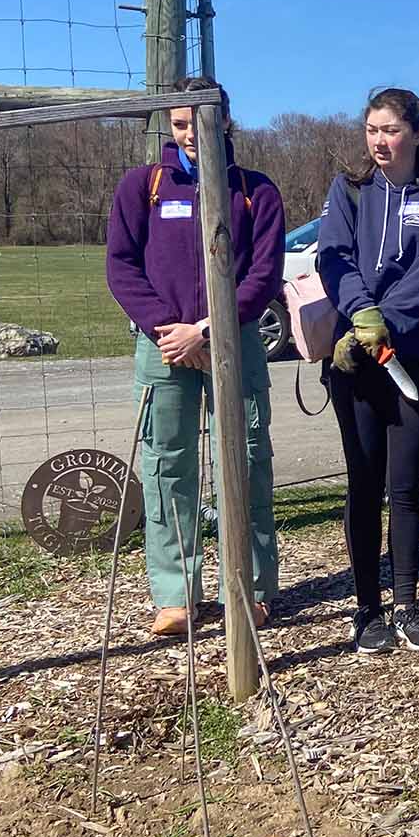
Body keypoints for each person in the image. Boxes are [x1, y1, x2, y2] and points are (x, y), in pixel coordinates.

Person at [104, 75, 285, 636]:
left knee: (246, 463)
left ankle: (250, 588)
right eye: (180, 123)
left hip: (235, 342)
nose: (189, 133)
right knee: (165, 467)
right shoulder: (143, 187)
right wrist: (169, 330)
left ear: (225, 121)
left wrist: (208, 331)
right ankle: (175, 593)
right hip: (162, 348)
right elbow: (122, 267)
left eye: (200, 122)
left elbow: (263, 274)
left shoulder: (256, 191)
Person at [318, 87, 419, 656]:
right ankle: (367, 607)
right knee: (363, 483)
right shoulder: (349, 189)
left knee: (405, 487)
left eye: (391, 130)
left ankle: (407, 603)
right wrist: (361, 317)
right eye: (372, 129)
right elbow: (334, 255)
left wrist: (389, 322)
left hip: (415, 358)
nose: (380, 141)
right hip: (356, 359)